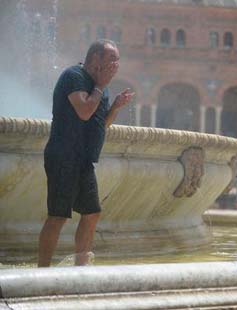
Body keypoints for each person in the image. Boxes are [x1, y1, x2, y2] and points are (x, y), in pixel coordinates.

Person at [38, 39, 134, 267]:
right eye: (111, 58)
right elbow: (83, 111)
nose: (116, 64)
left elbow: (101, 124)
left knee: (92, 213)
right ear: (95, 58)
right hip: (63, 155)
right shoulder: (74, 76)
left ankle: (80, 270)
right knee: (58, 215)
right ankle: (42, 270)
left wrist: (115, 107)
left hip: (84, 160)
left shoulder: (101, 86)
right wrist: (100, 86)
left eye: (117, 59)